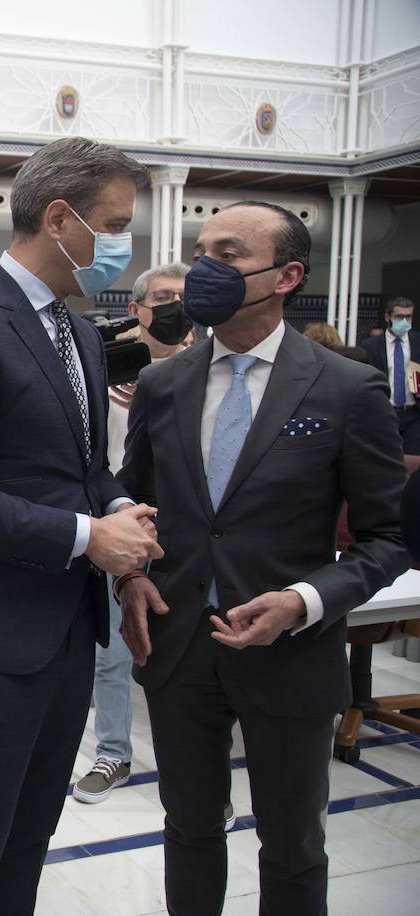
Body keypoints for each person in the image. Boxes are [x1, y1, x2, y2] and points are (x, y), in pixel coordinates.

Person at [118, 201, 409, 916]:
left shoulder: (346, 387)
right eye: (200, 251)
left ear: (288, 275)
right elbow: (130, 506)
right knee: (188, 829)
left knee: (292, 845)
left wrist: (305, 601)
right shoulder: (163, 385)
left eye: (228, 253)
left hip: (291, 652)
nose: (204, 270)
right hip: (178, 645)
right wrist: (128, 574)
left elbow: (388, 539)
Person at [0, 136, 162, 915]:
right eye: (114, 225)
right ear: (59, 219)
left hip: (65, 632)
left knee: (27, 842)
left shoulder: (78, 332)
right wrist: (89, 538)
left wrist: (118, 512)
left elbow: (82, 470)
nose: (122, 244)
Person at [75, 262, 193, 806]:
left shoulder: (206, 374)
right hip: (118, 527)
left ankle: (199, 770)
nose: (174, 307)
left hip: (186, 534)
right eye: (164, 297)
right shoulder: (103, 373)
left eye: (183, 298)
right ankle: (114, 752)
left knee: (190, 652)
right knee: (112, 652)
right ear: (136, 308)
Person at [362, 296, 420, 453]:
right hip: (384, 411)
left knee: (413, 459)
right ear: (388, 317)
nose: (404, 321)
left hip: (413, 412)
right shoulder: (371, 346)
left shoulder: (417, 342)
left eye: (408, 316)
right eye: (399, 316)